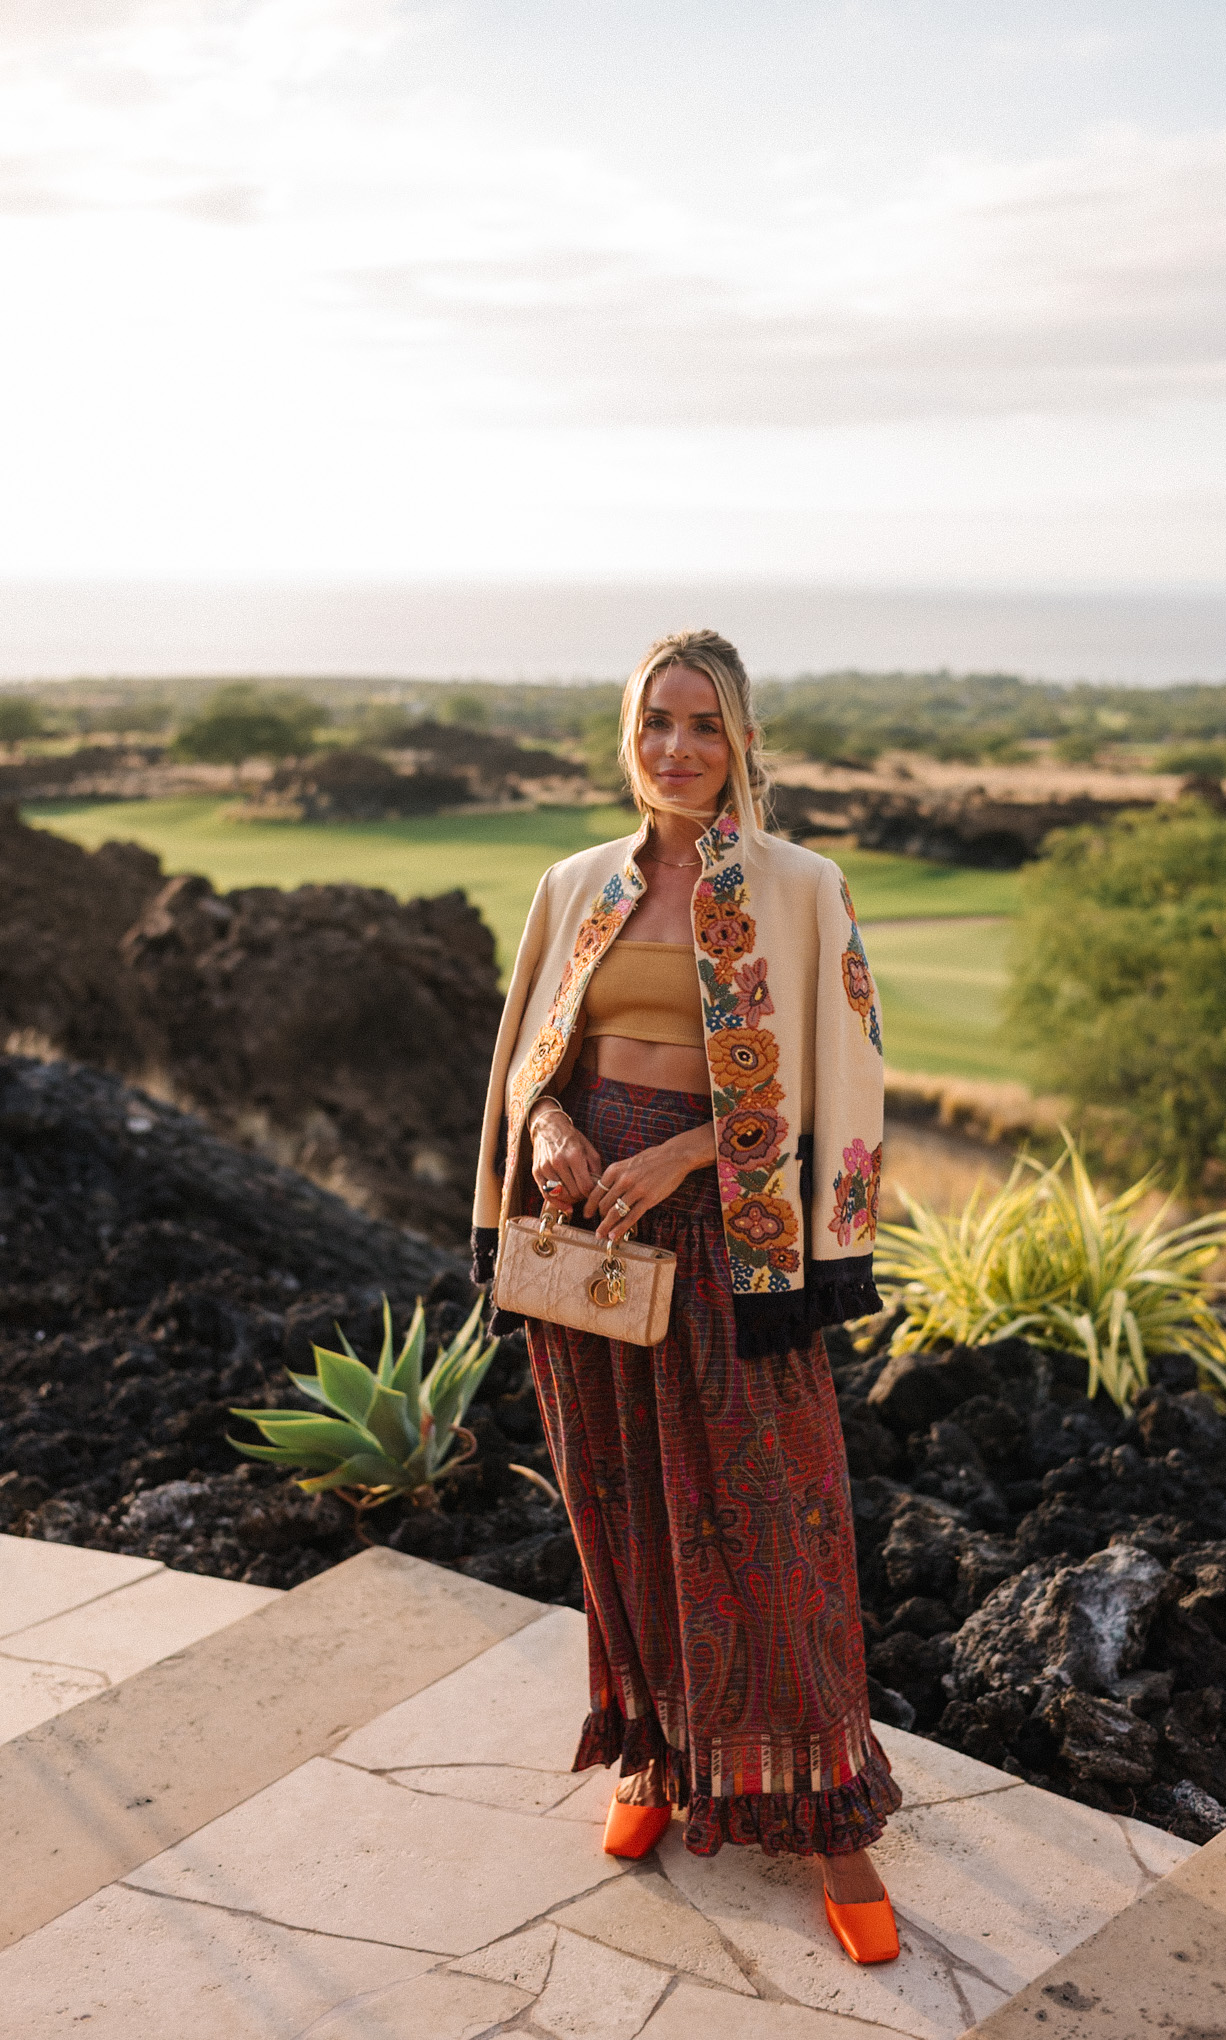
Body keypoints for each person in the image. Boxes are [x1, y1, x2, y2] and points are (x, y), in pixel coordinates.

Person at [472, 629, 901, 1964]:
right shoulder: (575, 883)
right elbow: (530, 1052)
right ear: (626, 731)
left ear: (743, 741)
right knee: (616, 1500)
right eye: (656, 721)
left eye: (704, 725)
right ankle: (655, 1757)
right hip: (582, 1219)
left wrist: (687, 1152)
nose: (677, 748)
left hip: (734, 1234)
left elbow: (846, 1070)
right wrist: (546, 1129)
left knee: (771, 1512)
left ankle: (832, 1820)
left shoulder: (800, 885)